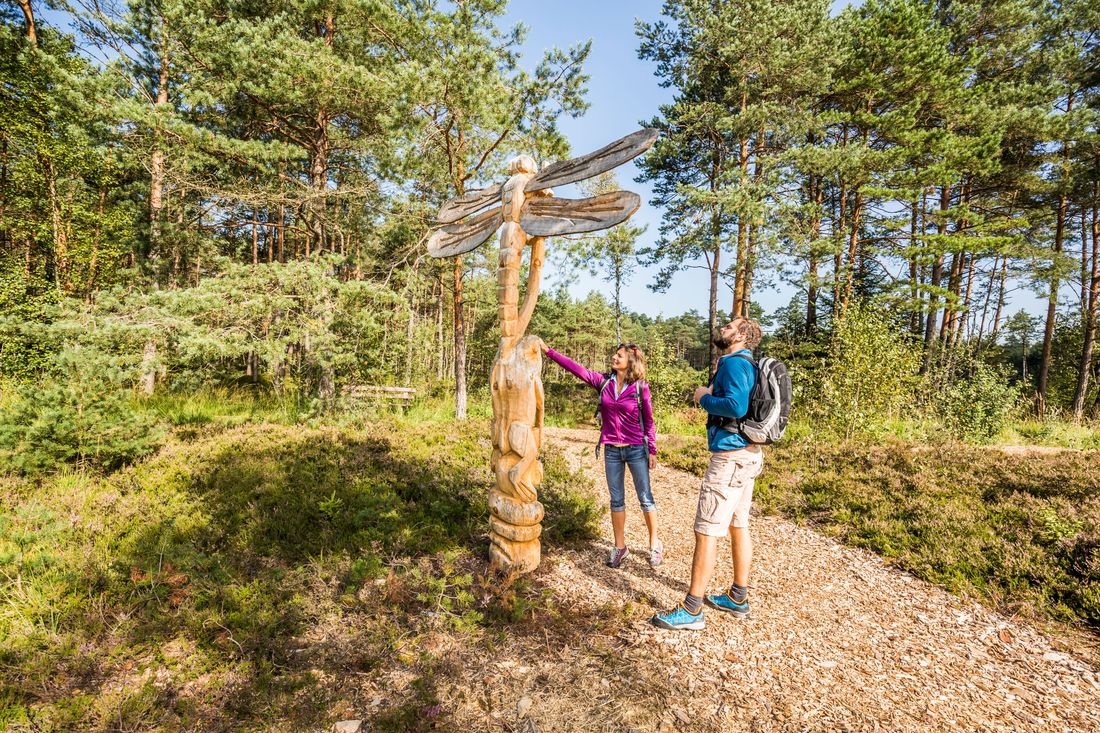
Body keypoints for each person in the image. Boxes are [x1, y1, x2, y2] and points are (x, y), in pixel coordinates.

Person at [651, 316, 764, 630]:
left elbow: (735, 406)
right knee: (737, 524)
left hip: (729, 458)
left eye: (730, 326)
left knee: (707, 528)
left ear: (742, 335)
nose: (724, 327)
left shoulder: (734, 364)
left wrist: (703, 397)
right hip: (747, 454)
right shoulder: (746, 364)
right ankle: (738, 597)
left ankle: (692, 609)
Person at [538, 339, 662, 568]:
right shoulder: (604, 382)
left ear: (631, 362)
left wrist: (652, 449)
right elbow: (577, 369)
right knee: (616, 500)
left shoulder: (640, 387)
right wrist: (549, 352)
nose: (614, 358)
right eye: (615, 355)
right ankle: (619, 547)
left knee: (645, 498)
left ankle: (654, 544)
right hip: (612, 450)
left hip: (636, 449)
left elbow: (649, 420)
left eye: (620, 356)